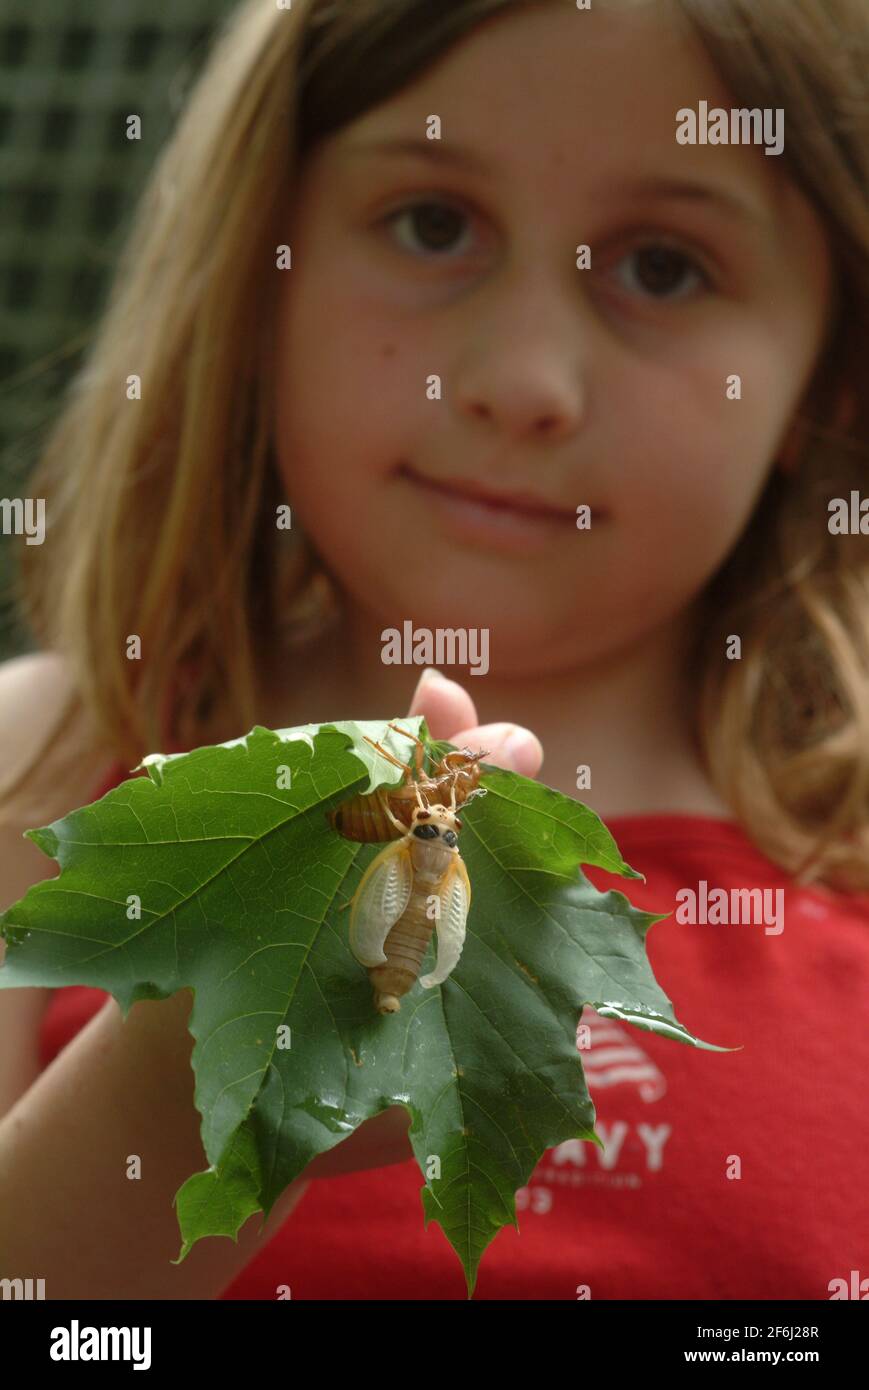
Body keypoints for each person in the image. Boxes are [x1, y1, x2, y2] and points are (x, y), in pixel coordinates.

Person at [0, 0, 867, 1300]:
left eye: (663, 265)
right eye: (432, 223)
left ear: (825, 384)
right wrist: (183, 1105)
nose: (523, 379)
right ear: (258, 264)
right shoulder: (38, 766)